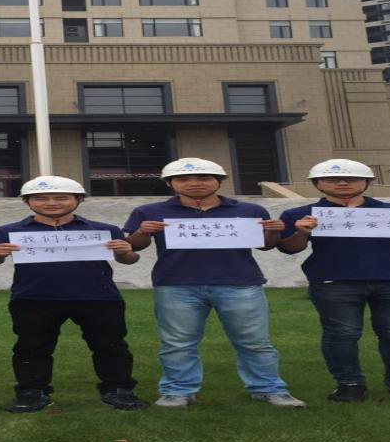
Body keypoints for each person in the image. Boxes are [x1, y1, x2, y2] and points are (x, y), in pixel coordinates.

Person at [123, 158, 305, 408]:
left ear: (218, 182)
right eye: (183, 179)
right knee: (177, 343)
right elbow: (134, 246)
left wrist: (273, 230)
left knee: (254, 341)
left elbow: (265, 245)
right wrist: (142, 231)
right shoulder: (148, 211)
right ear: (170, 183)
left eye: (204, 178)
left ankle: (269, 388)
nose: (194, 183)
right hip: (176, 284)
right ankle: (178, 391)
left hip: (239, 283)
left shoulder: (250, 210)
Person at [277, 159, 390, 403]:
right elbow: (289, 248)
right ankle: (349, 384)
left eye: (352, 178)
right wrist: (301, 232)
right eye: (332, 179)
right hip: (334, 281)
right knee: (342, 334)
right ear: (318, 184)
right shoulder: (298, 215)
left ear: (366, 182)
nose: (342, 183)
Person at [0, 176, 149, 413]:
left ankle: (119, 390)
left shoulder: (103, 230)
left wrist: (125, 251)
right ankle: (32, 393)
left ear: (79, 200)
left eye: (61, 197)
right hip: (33, 298)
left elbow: (129, 260)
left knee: (111, 346)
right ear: (27, 201)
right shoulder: (7, 231)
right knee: (31, 347)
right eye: (41, 198)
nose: (52, 203)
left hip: (98, 297)